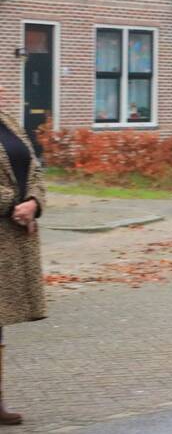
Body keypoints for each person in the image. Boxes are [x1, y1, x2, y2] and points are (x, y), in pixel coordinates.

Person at [0, 83, 46, 426]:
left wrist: (33, 201)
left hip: (12, 236)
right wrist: (12, 203)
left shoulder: (8, 121)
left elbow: (34, 169)